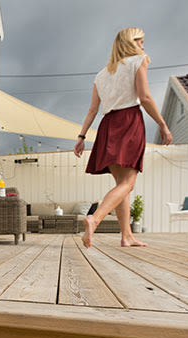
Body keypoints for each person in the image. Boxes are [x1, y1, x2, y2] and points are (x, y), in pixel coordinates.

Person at [73, 27, 172, 248]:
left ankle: (126, 235)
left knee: (121, 184)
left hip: (107, 125)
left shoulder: (101, 74)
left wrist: (81, 137)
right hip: (128, 122)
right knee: (127, 184)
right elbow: (145, 97)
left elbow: (92, 110)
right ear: (130, 42)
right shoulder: (139, 60)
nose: (143, 46)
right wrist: (163, 124)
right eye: (140, 41)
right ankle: (95, 219)